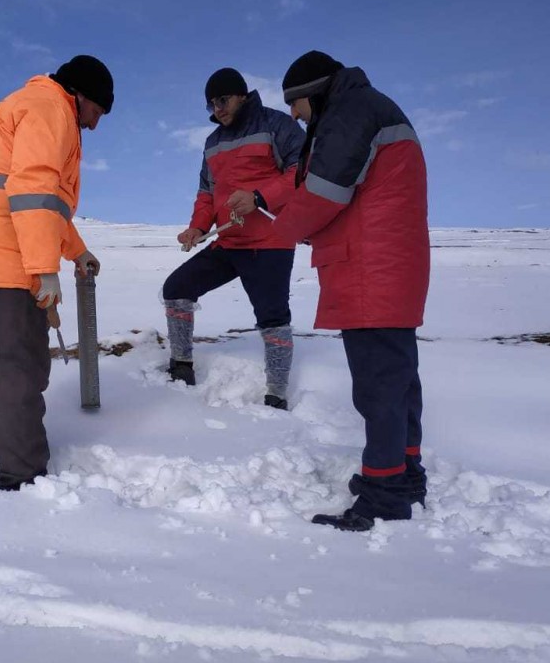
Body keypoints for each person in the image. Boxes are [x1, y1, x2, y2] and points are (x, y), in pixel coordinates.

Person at [274, 50, 430, 531]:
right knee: (398, 379)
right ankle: (404, 475)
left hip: (370, 268)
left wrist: (276, 232)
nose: (296, 118)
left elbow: (324, 189)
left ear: (314, 92)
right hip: (389, 267)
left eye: (297, 107)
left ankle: (384, 495)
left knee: (379, 386)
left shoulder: (351, 112)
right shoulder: (369, 107)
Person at [0, 55, 112, 491]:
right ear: (79, 95)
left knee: (3, 366)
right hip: (10, 259)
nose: (94, 125)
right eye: (96, 112)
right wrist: (43, 269)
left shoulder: (25, 103)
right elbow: (33, 191)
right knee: (23, 370)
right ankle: (20, 474)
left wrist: (76, 251)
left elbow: (47, 203)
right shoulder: (50, 108)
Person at [162, 68, 305, 409]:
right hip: (228, 243)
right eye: (211, 104)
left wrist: (260, 196)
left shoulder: (277, 126)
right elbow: (206, 193)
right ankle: (181, 370)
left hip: (269, 243)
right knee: (176, 289)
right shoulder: (212, 143)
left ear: (242, 95)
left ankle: (276, 396)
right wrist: (197, 226)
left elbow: (302, 171)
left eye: (222, 100)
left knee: (273, 317)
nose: (217, 109)